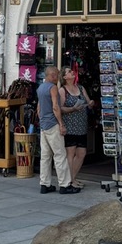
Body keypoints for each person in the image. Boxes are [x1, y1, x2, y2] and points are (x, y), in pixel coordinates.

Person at [37, 67, 80, 195]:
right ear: (52, 75)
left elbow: (39, 108)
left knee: (45, 157)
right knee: (60, 155)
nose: (57, 78)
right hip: (52, 124)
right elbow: (56, 107)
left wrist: (42, 122)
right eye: (56, 75)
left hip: (44, 126)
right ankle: (64, 185)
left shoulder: (40, 88)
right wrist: (61, 124)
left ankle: (44, 184)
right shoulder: (52, 88)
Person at [60, 66, 94, 188]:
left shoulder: (80, 87)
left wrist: (90, 104)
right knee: (71, 153)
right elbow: (60, 108)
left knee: (82, 153)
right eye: (69, 72)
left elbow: (89, 103)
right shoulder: (63, 90)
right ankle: (70, 180)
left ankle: (72, 177)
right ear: (64, 77)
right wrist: (73, 108)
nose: (72, 72)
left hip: (81, 125)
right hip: (70, 125)